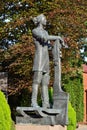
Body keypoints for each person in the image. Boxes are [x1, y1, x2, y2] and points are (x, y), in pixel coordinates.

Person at [31, 14, 65, 108]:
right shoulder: (35, 31)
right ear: (40, 20)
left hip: (46, 59)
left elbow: (49, 46)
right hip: (39, 58)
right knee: (36, 81)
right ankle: (33, 102)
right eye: (44, 18)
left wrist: (57, 51)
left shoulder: (45, 32)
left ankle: (45, 103)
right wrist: (57, 37)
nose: (46, 20)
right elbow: (44, 38)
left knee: (45, 82)